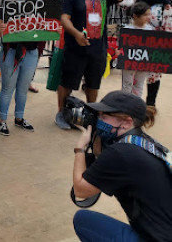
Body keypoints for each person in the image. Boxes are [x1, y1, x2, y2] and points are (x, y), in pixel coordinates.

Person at [55, 0, 164, 130]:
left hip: (97, 51)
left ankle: (91, 114)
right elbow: (64, 19)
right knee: (67, 84)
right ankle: (61, 113)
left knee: (93, 85)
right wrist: (76, 34)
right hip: (75, 50)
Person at [72, 91, 172, 241]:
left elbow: (80, 190)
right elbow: (100, 155)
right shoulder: (143, 142)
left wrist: (80, 149)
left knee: (83, 221)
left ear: (127, 122)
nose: (99, 120)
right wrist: (97, 135)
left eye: (104, 116)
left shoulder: (120, 153)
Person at [0, 0, 40, 136]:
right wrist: (1, 29)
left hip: (31, 52)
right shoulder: (7, 6)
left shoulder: (40, 7)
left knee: (22, 89)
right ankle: (2, 121)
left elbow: (47, 27)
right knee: (8, 88)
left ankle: (19, 118)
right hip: (11, 52)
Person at [136, 0, 172, 106]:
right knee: (135, 76)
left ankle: (150, 104)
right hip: (136, 45)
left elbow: (168, 30)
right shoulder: (137, 2)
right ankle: (133, 104)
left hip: (155, 46)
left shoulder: (166, 7)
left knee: (153, 76)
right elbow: (123, 1)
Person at [121, 1, 152, 97]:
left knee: (139, 85)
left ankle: (135, 106)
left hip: (143, 62)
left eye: (149, 14)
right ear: (135, 16)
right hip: (129, 62)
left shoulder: (150, 30)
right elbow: (121, 47)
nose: (148, 17)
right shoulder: (127, 29)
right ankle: (124, 106)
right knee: (127, 84)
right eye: (145, 15)